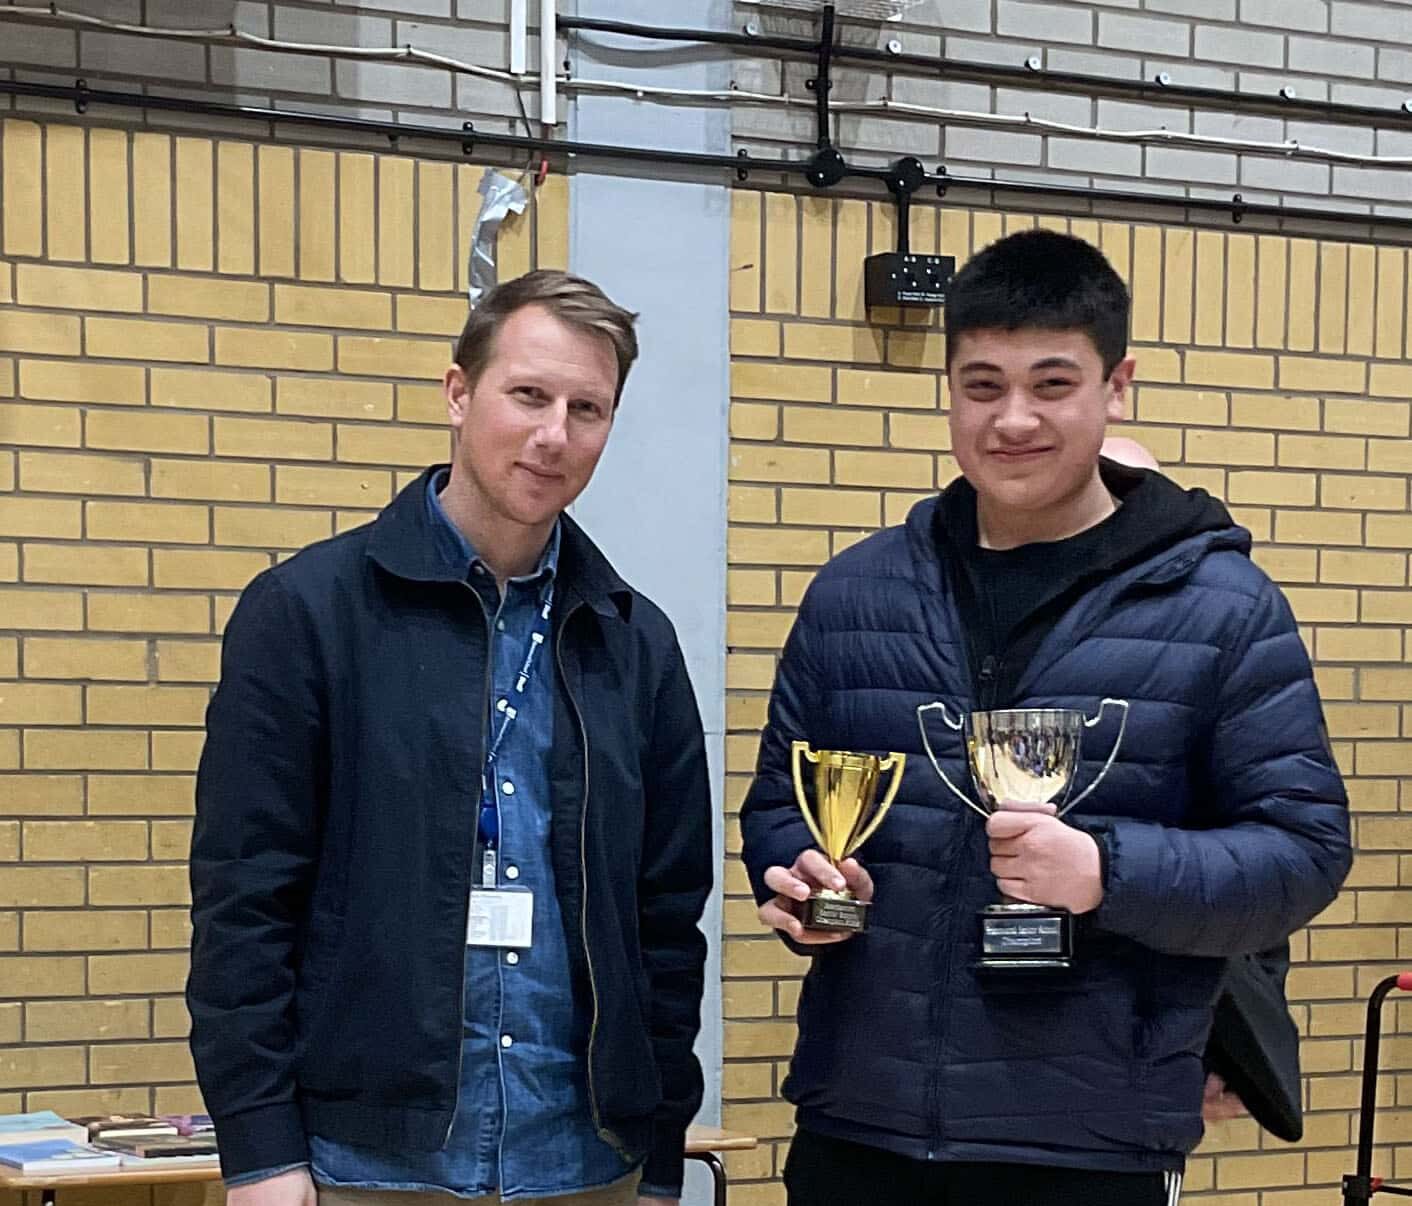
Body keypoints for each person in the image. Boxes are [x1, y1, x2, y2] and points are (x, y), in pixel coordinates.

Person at [740, 229, 1350, 1206]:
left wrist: (1106, 871)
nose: (1011, 418)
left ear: (1116, 387)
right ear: (947, 388)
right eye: (980, 384)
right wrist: (804, 887)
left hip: (1084, 1148)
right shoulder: (854, 592)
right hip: (860, 1126)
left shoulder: (1222, 611)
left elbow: (1300, 853)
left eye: (1050, 383)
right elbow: (782, 801)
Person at [188, 270, 712, 1206]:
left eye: (587, 408)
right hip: (369, 1165)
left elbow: (666, 926)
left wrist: (661, 1156)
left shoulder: (637, 643)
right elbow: (244, 907)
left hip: (587, 1165)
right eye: (528, 395)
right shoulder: (307, 614)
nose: (555, 435)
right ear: (459, 392)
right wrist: (261, 1154)